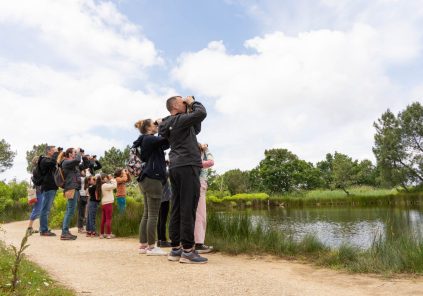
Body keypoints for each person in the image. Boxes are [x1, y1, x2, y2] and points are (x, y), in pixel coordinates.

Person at [159, 95, 207, 264]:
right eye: (182, 101)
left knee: (177, 207)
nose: (185, 102)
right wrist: (193, 102)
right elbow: (201, 113)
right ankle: (188, 250)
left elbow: (196, 128)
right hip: (188, 165)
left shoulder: (169, 122)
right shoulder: (179, 120)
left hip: (175, 166)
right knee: (188, 207)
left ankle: (176, 249)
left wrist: (188, 108)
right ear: (174, 106)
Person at [134, 118, 169, 256]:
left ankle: (143, 245)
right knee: (153, 214)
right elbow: (166, 138)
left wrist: (160, 127)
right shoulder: (149, 139)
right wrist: (162, 124)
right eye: (153, 125)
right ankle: (151, 247)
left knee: (147, 213)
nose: (156, 126)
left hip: (146, 178)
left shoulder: (146, 140)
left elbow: (165, 144)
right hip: (153, 178)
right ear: (149, 127)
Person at [194, 143, 214, 253]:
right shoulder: (198, 161)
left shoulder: (194, 159)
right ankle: (199, 244)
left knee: (196, 215)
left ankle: (193, 242)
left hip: (197, 186)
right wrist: (207, 149)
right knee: (200, 216)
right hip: (199, 187)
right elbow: (211, 162)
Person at [61, 148, 83, 240]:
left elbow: (84, 165)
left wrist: (83, 157)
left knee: (69, 211)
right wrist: (78, 153)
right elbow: (77, 160)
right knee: (70, 211)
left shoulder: (72, 164)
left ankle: (65, 231)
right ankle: (64, 232)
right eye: (74, 152)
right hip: (71, 188)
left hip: (74, 188)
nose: (76, 154)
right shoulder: (66, 162)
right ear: (70, 154)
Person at [39, 145, 60, 236]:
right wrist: (56, 154)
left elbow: (55, 165)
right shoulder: (44, 160)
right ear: (48, 152)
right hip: (48, 187)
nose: (55, 152)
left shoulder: (50, 160)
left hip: (51, 187)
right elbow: (52, 163)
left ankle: (43, 228)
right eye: (53, 151)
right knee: (45, 210)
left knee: (46, 209)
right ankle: (44, 230)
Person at [26, 156, 44, 235]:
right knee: (37, 209)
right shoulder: (36, 169)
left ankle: (42, 227)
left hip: (41, 191)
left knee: (42, 209)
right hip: (39, 191)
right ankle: (29, 228)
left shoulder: (38, 169)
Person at [156, 160, 172, 248]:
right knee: (163, 220)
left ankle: (159, 240)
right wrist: (168, 164)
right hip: (165, 199)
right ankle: (163, 240)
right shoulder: (163, 172)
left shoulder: (156, 172)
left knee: (160, 220)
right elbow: (170, 172)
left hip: (158, 198)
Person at [97, 173, 117, 239]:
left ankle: (102, 234)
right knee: (108, 219)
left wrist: (110, 180)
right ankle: (108, 234)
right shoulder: (105, 185)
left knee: (104, 219)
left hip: (104, 203)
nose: (107, 178)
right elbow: (114, 186)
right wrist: (112, 179)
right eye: (105, 177)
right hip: (108, 203)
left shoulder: (102, 185)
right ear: (103, 179)